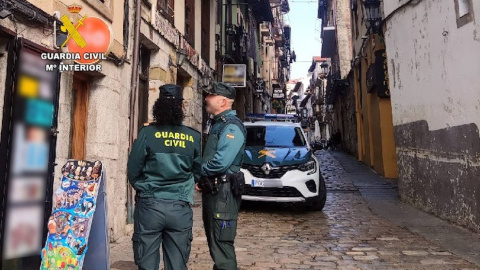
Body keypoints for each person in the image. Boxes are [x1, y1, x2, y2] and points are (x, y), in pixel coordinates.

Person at [127, 84, 202, 270]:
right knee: (177, 264)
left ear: (158, 106)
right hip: (180, 206)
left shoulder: (147, 133)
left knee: (147, 262)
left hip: (150, 206)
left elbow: (133, 170)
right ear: (180, 107)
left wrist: (144, 188)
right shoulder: (193, 137)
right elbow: (198, 170)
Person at [196, 82, 247, 270]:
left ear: (223, 101)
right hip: (216, 190)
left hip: (223, 195)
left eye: (211, 96)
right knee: (216, 243)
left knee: (222, 246)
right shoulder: (218, 124)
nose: (206, 99)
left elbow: (221, 162)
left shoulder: (231, 126)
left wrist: (199, 170)